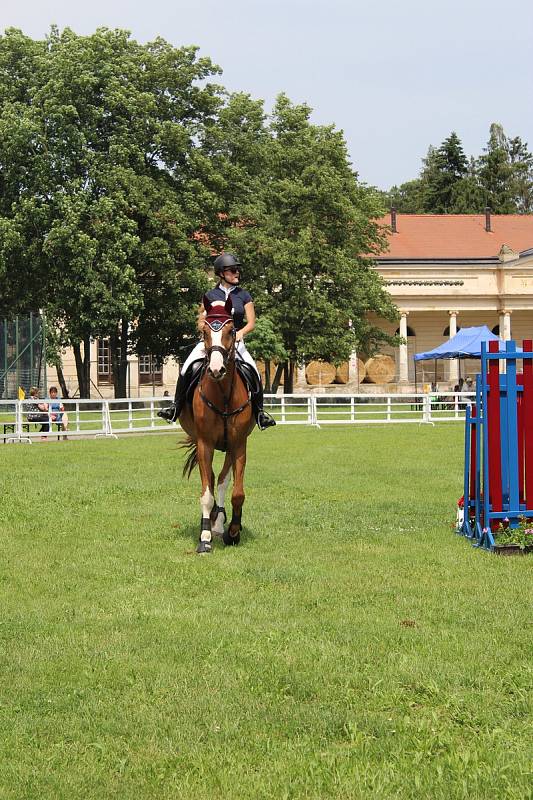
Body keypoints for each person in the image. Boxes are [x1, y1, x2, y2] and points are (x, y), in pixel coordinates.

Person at [159, 252, 276, 430]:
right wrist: (206, 332)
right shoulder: (210, 296)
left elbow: (251, 322)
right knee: (186, 369)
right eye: (233, 270)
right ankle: (176, 407)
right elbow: (200, 320)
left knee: (254, 372)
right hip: (211, 343)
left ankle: (260, 413)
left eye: (237, 270)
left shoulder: (243, 295)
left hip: (235, 343)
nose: (237, 273)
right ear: (222, 273)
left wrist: (241, 333)